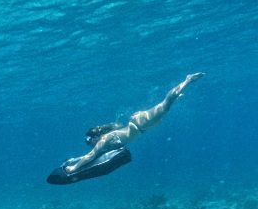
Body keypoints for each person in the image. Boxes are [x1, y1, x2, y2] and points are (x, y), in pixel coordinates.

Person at [64, 72, 204, 173]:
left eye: (89, 142)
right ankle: (177, 96)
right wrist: (74, 160)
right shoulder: (105, 141)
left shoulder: (105, 138)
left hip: (140, 124)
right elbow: (92, 156)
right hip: (143, 127)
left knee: (166, 104)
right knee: (165, 108)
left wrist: (74, 168)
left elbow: (91, 156)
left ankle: (187, 80)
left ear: (95, 137)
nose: (90, 145)